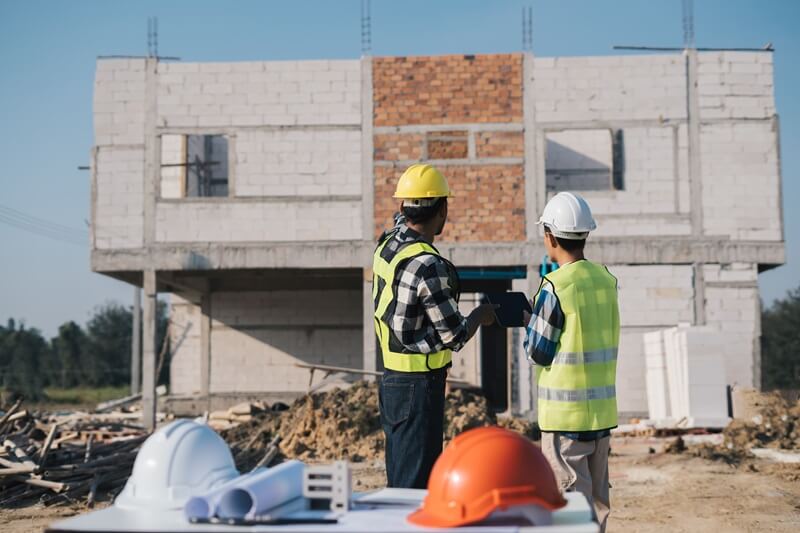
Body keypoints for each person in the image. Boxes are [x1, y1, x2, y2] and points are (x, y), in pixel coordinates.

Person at [373, 163, 497, 489]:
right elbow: (454, 335)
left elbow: (400, 222)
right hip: (420, 385)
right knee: (415, 485)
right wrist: (482, 314)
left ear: (402, 206)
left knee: (401, 475)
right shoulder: (429, 265)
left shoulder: (388, 243)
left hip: (392, 380)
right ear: (443, 210)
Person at [522, 191, 619, 533]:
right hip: (601, 417)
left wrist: (530, 325)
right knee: (596, 506)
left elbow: (538, 352)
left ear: (549, 235)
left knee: (568, 509)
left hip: (565, 422)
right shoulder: (606, 281)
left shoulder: (555, 286)